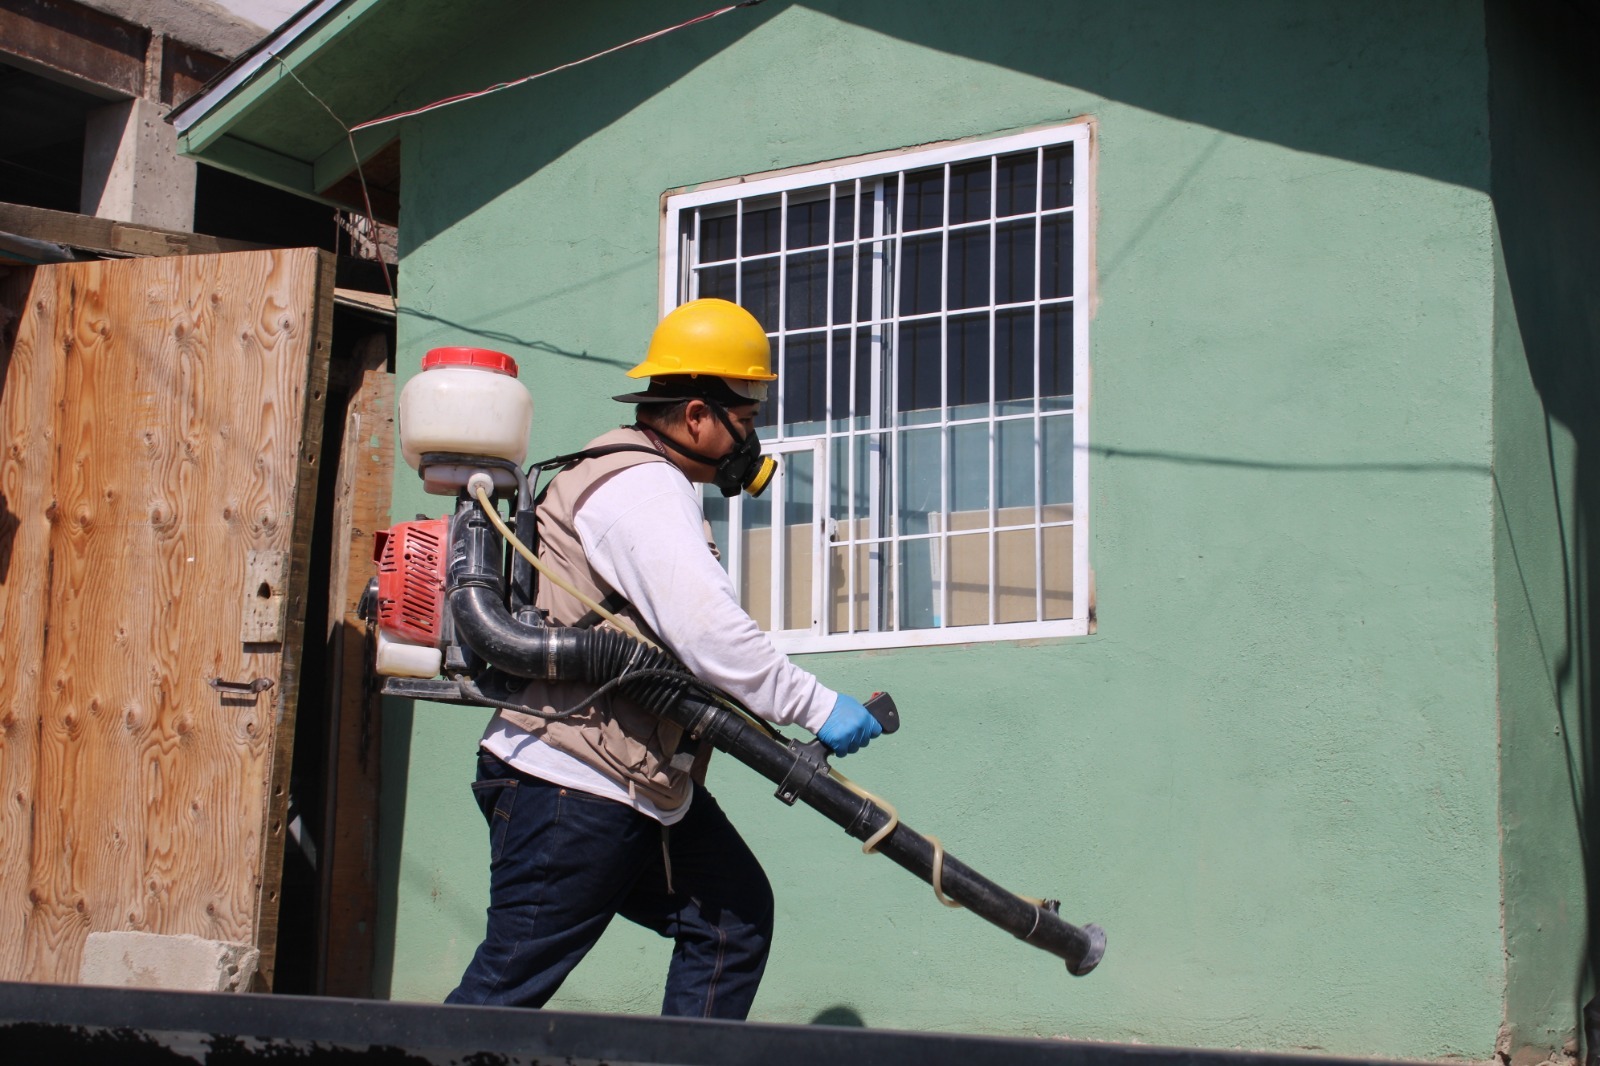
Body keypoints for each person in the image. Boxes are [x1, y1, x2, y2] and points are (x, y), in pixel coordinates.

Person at [445, 298, 884, 1019]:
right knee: (501, 996)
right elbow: (709, 634)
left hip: (630, 782)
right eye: (745, 420)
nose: (753, 438)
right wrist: (816, 705)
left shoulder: (645, 478)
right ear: (696, 415)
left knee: (732, 919)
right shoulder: (642, 488)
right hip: (570, 783)